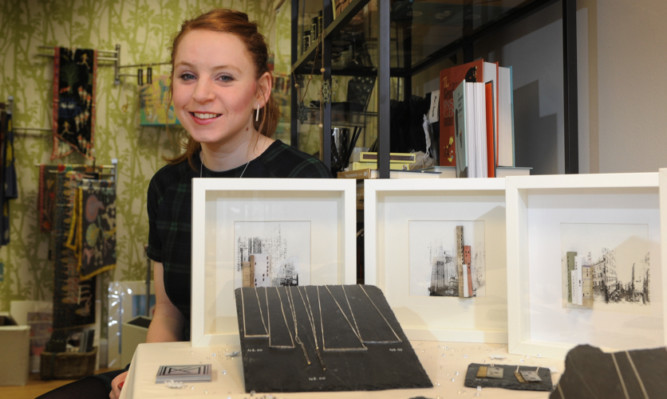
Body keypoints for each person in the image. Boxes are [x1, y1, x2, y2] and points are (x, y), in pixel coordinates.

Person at [38, 8, 331, 399]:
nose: (201, 94)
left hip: (275, 380)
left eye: (224, 77)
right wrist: (146, 374)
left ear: (261, 90)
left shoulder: (304, 180)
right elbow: (169, 314)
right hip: (186, 373)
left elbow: (318, 329)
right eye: (187, 75)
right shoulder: (167, 187)